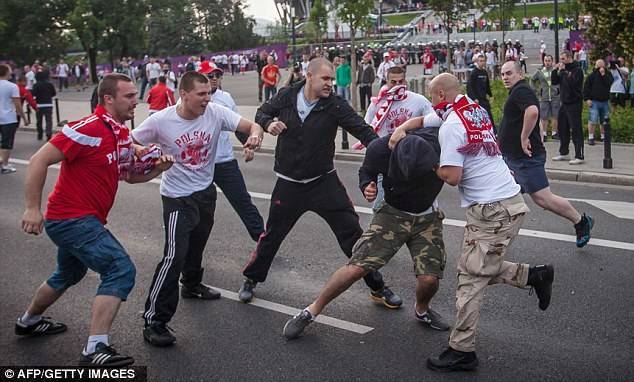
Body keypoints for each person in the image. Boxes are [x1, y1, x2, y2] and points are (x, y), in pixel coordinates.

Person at [391, 73, 554, 372]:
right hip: (501, 204)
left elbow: (453, 177)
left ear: (440, 93)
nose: (430, 102)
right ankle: (533, 276)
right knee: (474, 269)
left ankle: (461, 350)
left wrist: (430, 163)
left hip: (492, 211)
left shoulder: (452, 126)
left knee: (470, 279)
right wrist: (402, 127)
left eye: (431, 95)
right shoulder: (470, 110)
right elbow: (429, 120)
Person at [17, 73, 174, 366]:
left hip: (80, 220)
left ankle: (28, 321)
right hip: (71, 219)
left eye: (134, 95)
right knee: (119, 268)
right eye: (129, 96)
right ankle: (95, 350)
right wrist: (31, 208)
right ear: (108, 99)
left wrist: (158, 170)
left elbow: (129, 176)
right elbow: (39, 160)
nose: (136, 100)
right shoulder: (87, 128)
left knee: (68, 274)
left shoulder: (120, 134)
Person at [237, 58, 402, 310]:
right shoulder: (287, 96)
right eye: (325, 78)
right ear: (309, 76)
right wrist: (269, 124)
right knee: (272, 235)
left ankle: (378, 287)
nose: (330, 83)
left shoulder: (334, 104)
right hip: (289, 184)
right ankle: (251, 279)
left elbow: (364, 131)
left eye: (332, 79)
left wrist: (389, 152)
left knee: (353, 237)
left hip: (324, 183)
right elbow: (262, 113)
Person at [133, 71, 264, 347]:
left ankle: (191, 285)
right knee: (174, 256)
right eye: (201, 94)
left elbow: (251, 126)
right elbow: (129, 143)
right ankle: (154, 320)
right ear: (184, 94)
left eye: (209, 93)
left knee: (197, 245)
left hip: (205, 193)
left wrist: (254, 136)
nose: (207, 98)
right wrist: (152, 156)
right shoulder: (161, 120)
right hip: (177, 198)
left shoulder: (215, 112)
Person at [283, 126, 449, 340]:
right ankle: (311, 311)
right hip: (392, 214)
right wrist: (366, 185)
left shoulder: (444, 142)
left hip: (427, 218)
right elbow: (366, 172)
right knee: (356, 267)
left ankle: (422, 310)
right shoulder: (379, 149)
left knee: (429, 279)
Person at [500, 60, 594, 248]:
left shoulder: (521, 90)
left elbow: (533, 112)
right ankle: (496, 240)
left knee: (543, 198)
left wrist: (524, 137)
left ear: (520, 74)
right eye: (502, 74)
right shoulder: (518, 91)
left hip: (525, 159)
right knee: (503, 197)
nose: (505, 77)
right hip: (514, 158)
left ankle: (580, 221)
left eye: (509, 73)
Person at [202, 62, 265, 242]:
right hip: (200, 165)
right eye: (210, 75)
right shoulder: (186, 100)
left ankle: (262, 241)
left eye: (217, 75)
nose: (214, 79)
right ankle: (191, 254)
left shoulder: (226, 98)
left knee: (242, 201)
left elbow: (238, 126)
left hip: (224, 161)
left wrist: (248, 145)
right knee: (201, 210)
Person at [361, 66, 433, 210]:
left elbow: (432, 122)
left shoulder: (419, 101)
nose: (397, 85)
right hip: (386, 161)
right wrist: (375, 151)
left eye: (401, 82)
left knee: (422, 205)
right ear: (386, 81)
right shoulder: (378, 103)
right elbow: (367, 128)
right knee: (381, 207)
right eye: (393, 82)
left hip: (410, 159)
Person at [552, 51, 585, 165]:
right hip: (564, 103)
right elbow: (555, 81)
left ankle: (579, 155)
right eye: (560, 59)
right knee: (562, 128)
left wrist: (563, 72)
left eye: (563, 59)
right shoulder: (563, 70)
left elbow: (572, 84)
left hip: (574, 103)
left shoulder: (577, 70)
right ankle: (564, 152)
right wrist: (554, 70)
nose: (562, 61)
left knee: (576, 129)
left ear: (569, 58)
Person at [1, 64, 29, 174]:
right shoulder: (12, 86)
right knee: (6, 143)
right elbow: (18, 105)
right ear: (6, 72)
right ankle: (5, 165)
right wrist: (24, 118)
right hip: (8, 118)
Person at [531, 54, 561, 141]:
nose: (547, 62)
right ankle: (543, 134)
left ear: (552, 61)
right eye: (546, 61)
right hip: (544, 96)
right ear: (544, 61)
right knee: (544, 116)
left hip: (555, 96)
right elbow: (532, 80)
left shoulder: (556, 71)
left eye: (549, 61)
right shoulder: (540, 71)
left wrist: (559, 90)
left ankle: (554, 133)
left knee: (555, 115)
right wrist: (535, 90)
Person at [583, 59, 613, 145]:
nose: (600, 67)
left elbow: (609, 83)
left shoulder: (608, 74)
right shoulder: (592, 76)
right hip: (594, 101)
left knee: (604, 120)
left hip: (605, 101)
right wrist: (587, 99)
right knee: (593, 119)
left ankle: (603, 137)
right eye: (598, 65)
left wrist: (603, 75)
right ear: (596, 66)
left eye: (602, 65)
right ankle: (591, 137)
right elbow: (586, 88)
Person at [466, 54, 495, 132]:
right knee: (479, 118)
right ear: (477, 62)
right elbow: (469, 87)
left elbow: (487, 85)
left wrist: (490, 95)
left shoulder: (484, 72)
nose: (482, 63)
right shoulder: (474, 73)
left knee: (489, 116)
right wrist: (474, 98)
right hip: (477, 99)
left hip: (484, 98)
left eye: (483, 61)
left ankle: (493, 132)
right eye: (480, 61)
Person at [31, 71, 57, 141]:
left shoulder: (36, 85)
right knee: (48, 120)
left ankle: (40, 134)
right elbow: (54, 93)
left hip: (39, 104)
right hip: (48, 104)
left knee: (39, 120)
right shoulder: (49, 84)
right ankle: (48, 133)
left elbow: (33, 94)